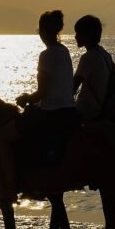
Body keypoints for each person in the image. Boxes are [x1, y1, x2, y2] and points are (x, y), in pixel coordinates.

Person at [16, 10, 80, 164]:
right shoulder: (64, 50)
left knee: (12, 135)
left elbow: (42, 92)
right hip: (69, 109)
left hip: (52, 112)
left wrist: (26, 98)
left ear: (42, 31)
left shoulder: (46, 55)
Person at [73, 14, 115, 121]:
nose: (75, 36)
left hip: (85, 110)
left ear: (87, 35)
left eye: (78, 33)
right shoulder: (105, 55)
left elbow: (72, 88)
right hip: (100, 108)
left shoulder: (87, 57)